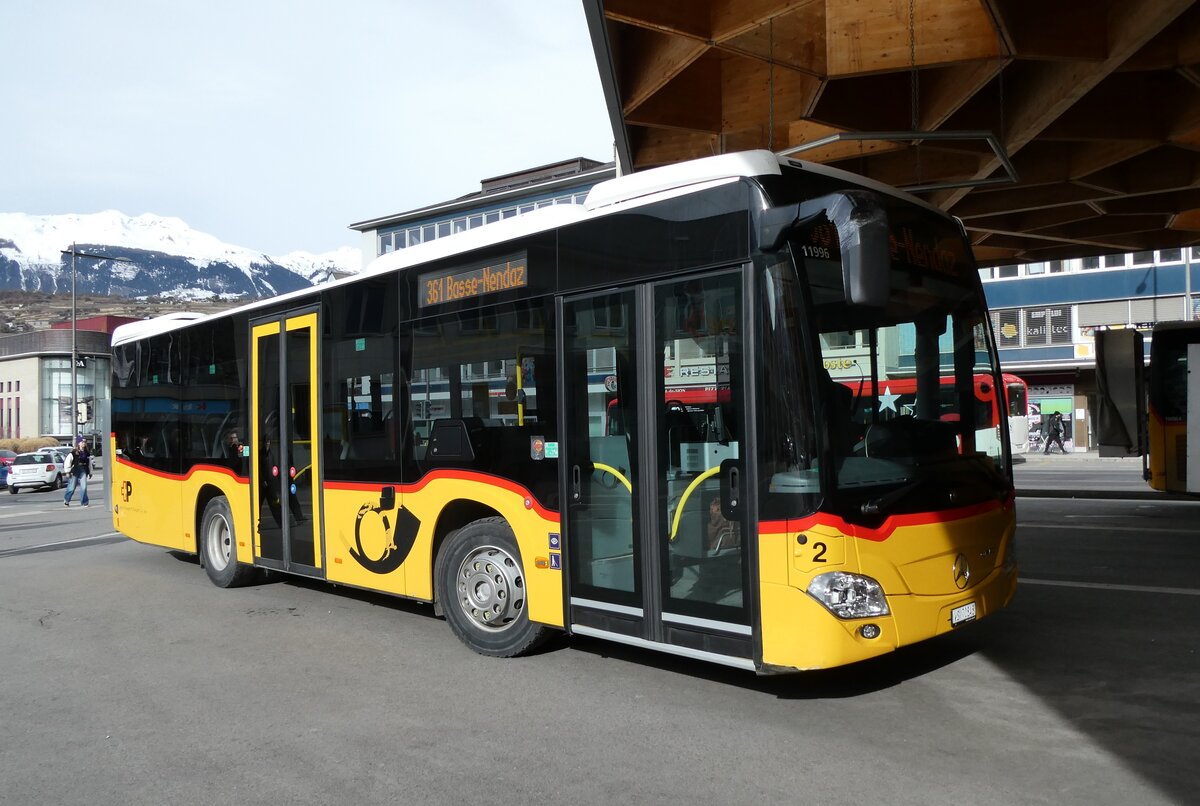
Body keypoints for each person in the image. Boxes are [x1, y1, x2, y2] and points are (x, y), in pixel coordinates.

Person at [63, 438, 93, 507]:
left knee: (84, 487)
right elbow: (67, 462)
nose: (84, 443)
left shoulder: (87, 453)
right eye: (82, 442)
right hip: (75, 470)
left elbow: (90, 464)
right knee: (72, 487)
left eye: (85, 442)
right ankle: (66, 500)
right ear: (78, 443)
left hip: (83, 470)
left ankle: (84, 502)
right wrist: (67, 471)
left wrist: (90, 472)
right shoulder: (73, 453)